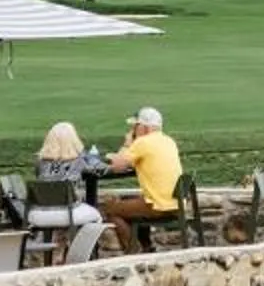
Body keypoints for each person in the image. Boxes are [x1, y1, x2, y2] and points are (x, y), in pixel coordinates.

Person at [101, 105, 184, 253]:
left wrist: (127, 143)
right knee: (133, 200)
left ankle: (133, 251)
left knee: (110, 210)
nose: (133, 130)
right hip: (176, 203)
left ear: (145, 128)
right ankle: (147, 247)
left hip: (158, 205)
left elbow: (117, 166)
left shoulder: (142, 143)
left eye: (135, 126)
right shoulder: (169, 141)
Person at [29, 121, 106, 242]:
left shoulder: (40, 163)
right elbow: (101, 169)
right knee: (96, 215)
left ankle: (56, 249)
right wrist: (90, 158)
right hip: (68, 212)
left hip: (41, 212)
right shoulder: (79, 161)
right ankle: (84, 251)